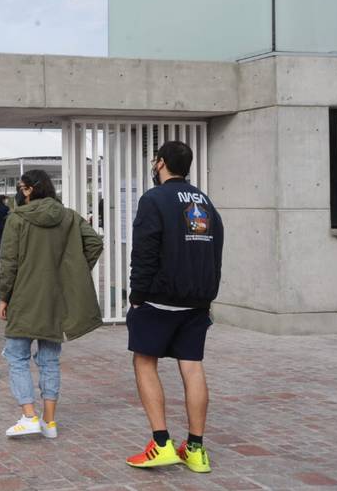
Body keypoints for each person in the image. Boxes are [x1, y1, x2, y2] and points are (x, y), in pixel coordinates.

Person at [125, 141, 223, 473]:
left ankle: (162, 443)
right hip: (196, 301)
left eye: (155, 161)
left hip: (158, 299)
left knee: (145, 361)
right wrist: (208, 294)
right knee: (192, 366)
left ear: (161, 163)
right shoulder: (205, 202)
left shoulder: (154, 199)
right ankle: (195, 449)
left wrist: (137, 295)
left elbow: (145, 250)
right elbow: (216, 252)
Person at [0, 170, 104, 438]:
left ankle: (29, 416)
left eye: (21, 187)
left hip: (24, 296)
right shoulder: (68, 217)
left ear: (30, 189)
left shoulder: (18, 218)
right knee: (50, 360)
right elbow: (94, 243)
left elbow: (9, 262)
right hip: (55, 298)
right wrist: (72, 272)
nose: (19, 192)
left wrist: (4, 296)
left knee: (17, 356)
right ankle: (50, 422)